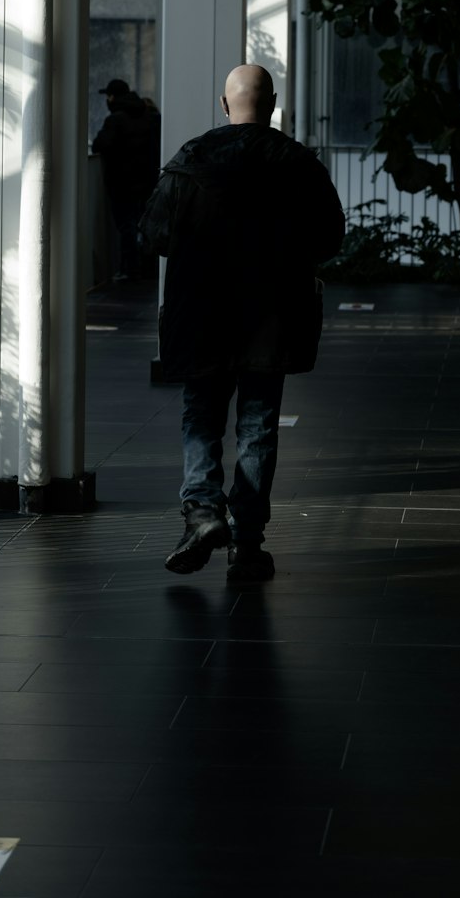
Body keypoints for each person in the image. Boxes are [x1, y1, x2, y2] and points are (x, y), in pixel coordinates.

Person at [139, 64, 345, 584]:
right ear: (272, 104)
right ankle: (248, 543)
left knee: (201, 416)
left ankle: (203, 514)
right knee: (257, 426)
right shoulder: (298, 165)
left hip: (201, 313)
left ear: (225, 105)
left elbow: (154, 235)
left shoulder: (188, 162)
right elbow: (329, 238)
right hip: (270, 317)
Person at [92, 78, 161, 279]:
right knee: (144, 224)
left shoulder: (115, 120)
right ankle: (149, 269)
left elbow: (100, 144)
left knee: (126, 227)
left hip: (122, 182)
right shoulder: (148, 116)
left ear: (112, 97)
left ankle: (130, 270)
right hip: (147, 180)